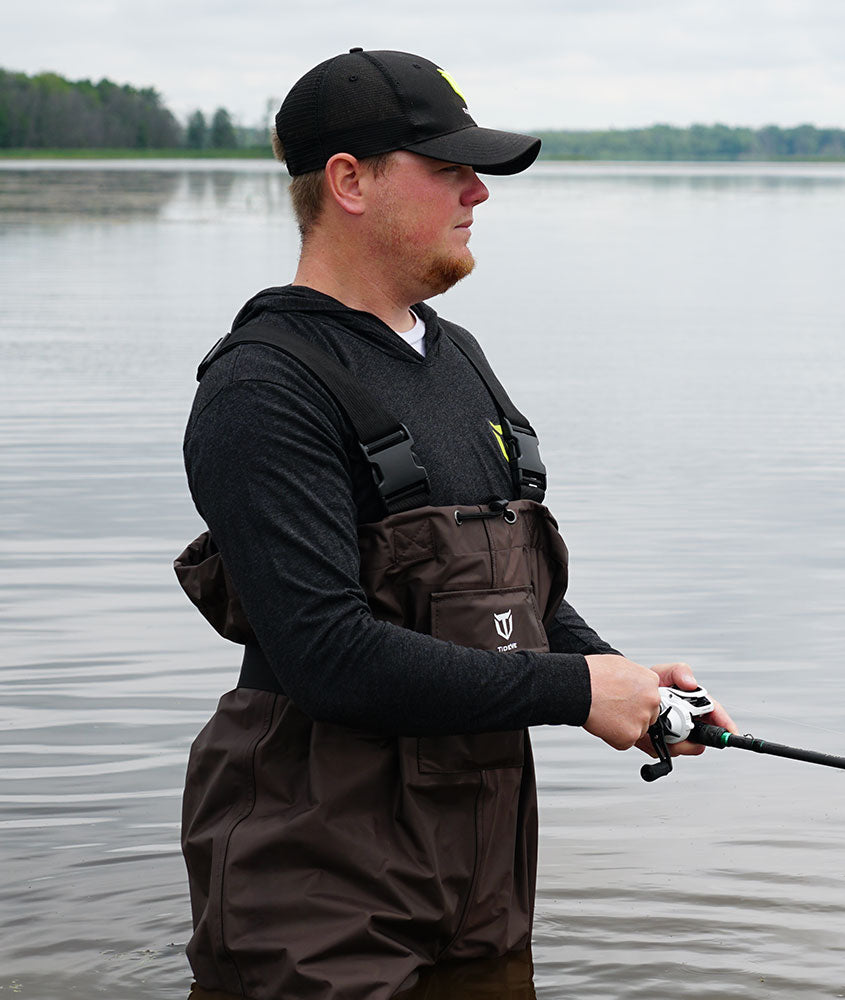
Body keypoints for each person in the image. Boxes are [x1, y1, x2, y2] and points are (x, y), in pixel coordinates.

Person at [175, 47, 735, 1000]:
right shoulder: (262, 388)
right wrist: (572, 690)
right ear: (349, 182)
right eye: (449, 168)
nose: (478, 191)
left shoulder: (455, 355)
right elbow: (327, 656)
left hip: (480, 868)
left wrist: (629, 684)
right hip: (317, 879)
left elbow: (512, 596)